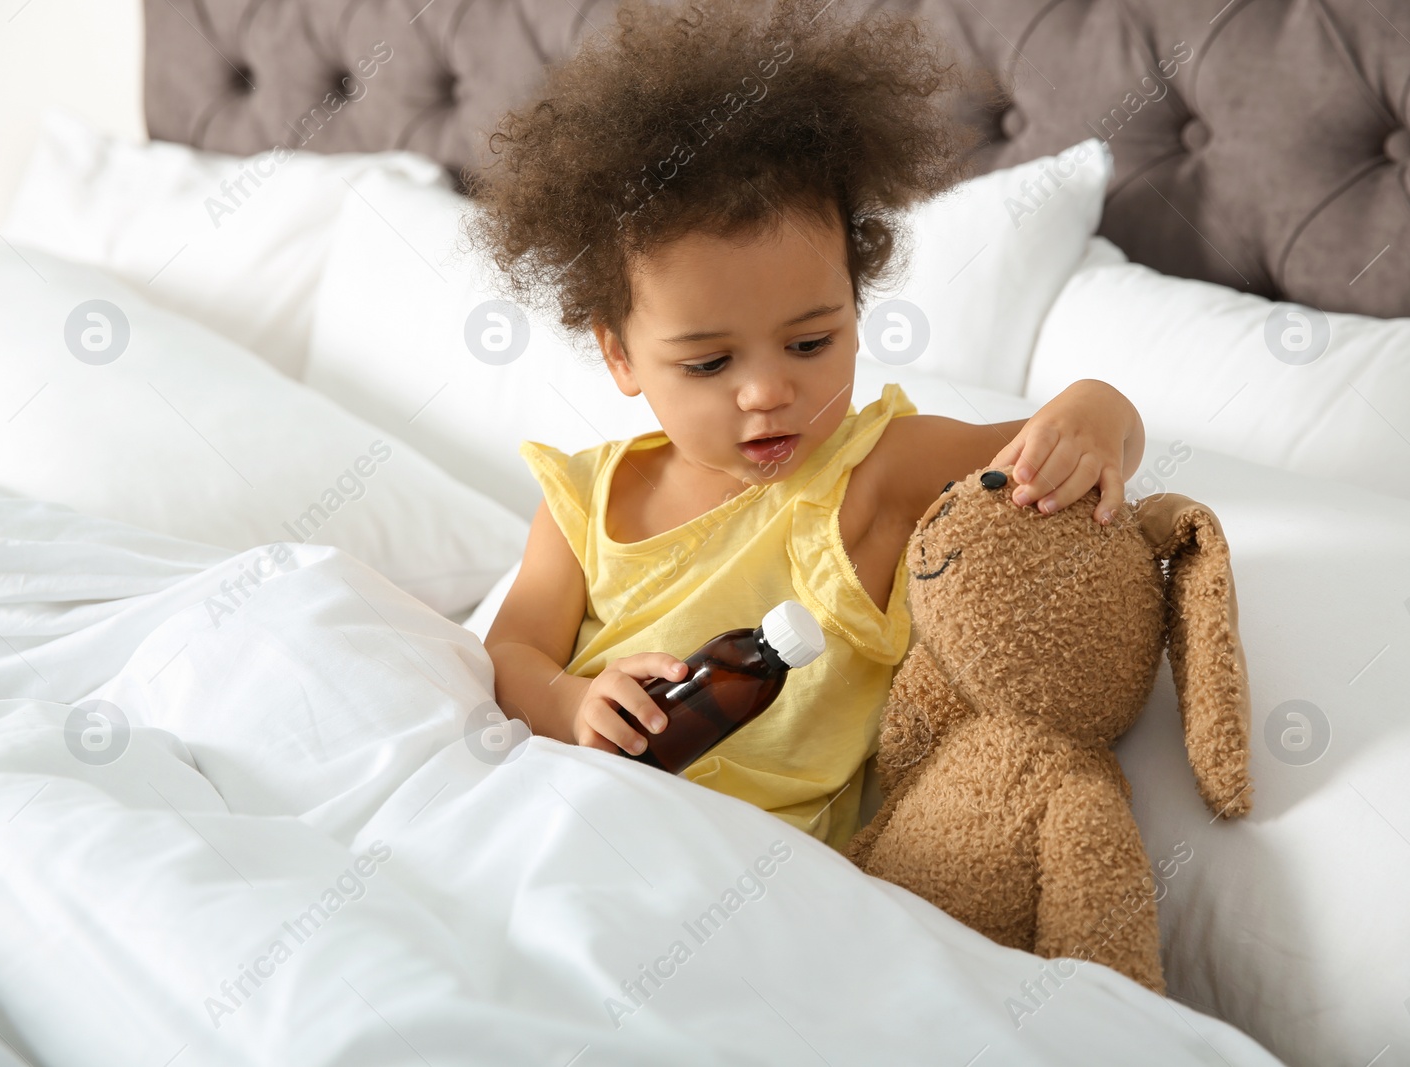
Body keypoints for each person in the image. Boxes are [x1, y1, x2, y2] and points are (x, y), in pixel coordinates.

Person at [469, 0, 1144, 852]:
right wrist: (571, 702)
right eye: (711, 364)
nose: (766, 393)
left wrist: (1097, 406)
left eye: (811, 342)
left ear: (857, 312)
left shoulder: (882, 471)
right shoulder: (580, 504)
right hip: (568, 816)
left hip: (753, 867)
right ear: (621, 357)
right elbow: (510, 656)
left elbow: (1066, 441)